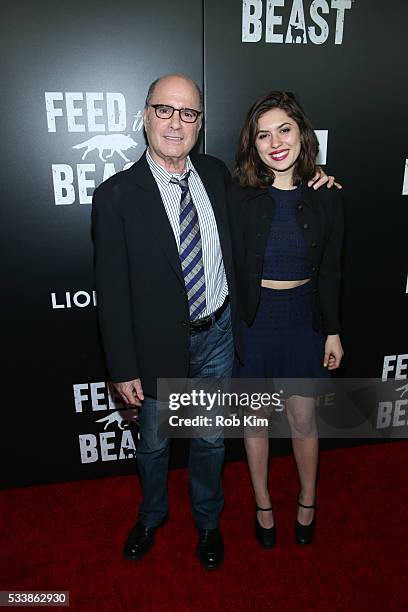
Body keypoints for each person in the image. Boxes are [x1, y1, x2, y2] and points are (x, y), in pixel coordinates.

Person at [92, 75, 335, 569]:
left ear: (200, 123)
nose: (176, 123)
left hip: (221, 335)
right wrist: (122, 367)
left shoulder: (217, 174)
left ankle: (208, 521)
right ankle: (151, 515)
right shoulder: (116, 195)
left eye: (189, 114)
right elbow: (112, 293)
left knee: (207, 439)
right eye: (165, 111)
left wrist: (320, 177)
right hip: (156, 345)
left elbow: (278, 194)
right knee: (155, 443)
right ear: (144, 116)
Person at [230, 91, 344, 547]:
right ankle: (262, 503)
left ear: (301, 134)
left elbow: (333, 270)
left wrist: (333, 332)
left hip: (302, 323)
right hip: (254, 326)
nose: (275, 142)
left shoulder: (327, 197)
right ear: (253, 145)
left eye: (284, 129)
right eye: (264, 134)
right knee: (255, 423)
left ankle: (307, 500)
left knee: (303, 421)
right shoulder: (238, 197)